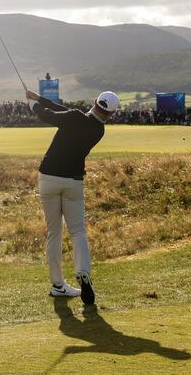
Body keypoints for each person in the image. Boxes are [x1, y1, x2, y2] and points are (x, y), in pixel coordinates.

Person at [26, 88, 120, 305]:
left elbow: (50, 116)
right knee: (77, 230)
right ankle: (83, 271)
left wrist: (33, 105)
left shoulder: (74, 117)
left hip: (49, 178)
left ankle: (58, 285)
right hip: (73, 182)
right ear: (111, 114)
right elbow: (67, 112)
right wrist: (38, 98)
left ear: (94, 101)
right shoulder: (98, 130)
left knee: (54, 232)